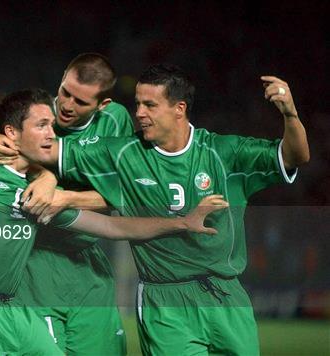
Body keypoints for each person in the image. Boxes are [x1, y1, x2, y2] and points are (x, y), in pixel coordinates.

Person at [0, 88, 228, 355]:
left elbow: (113, 227)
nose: (51, 135)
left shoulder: (38, 194)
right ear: (11, 133)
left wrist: (182, 222)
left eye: (53, 127)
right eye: (42, 125)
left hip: (13, 312)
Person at [51, 64, 309, 355]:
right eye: (137, 104)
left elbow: (295, 156)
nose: (139, 113)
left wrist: (290, 114)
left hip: (225, 294)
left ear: (179, 108)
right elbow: (50, 151)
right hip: (165, 299)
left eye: (150, 105)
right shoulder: (124, 152)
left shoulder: (223, 152)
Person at [0, 53, 134, 355]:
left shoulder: (114, 121)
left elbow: (121, 193)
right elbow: (0, 152)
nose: (67, 105)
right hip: (34, 260)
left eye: (80, 102)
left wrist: (65, 197)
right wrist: (43, 174)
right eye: (65, 92)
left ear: (102, 105)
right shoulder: (35, 115)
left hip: (87, 261)